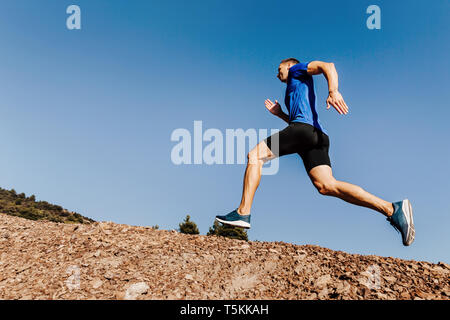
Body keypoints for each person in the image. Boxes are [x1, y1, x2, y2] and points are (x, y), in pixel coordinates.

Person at [215, 58, 415, 246]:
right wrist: (280, 114)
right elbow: (298, 121)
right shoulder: (295, 88)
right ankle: (392, 209)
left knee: (255, 156)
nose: (278, 75)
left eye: (279, 69)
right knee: (326, 185)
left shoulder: (296, 69)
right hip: (315, 136)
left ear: (289, 65)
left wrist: (333, 91)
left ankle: (243, 212)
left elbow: (328, 66)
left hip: (304, 131)